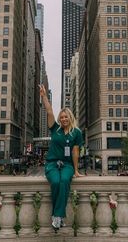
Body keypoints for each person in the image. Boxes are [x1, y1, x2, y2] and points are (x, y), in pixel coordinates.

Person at [39, 84, 83, 231]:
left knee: (64, 180)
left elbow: (75, 152)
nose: (64, 119)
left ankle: (56, 217)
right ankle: (59, 217)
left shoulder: (76, 132)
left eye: (66, 117)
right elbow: (49, 111)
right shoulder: (55, 129)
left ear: (70, 118)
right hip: (51, 164)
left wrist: (76, 170)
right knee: (56, 182)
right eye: (62, 117)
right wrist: (44, 96)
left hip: (67, 165)